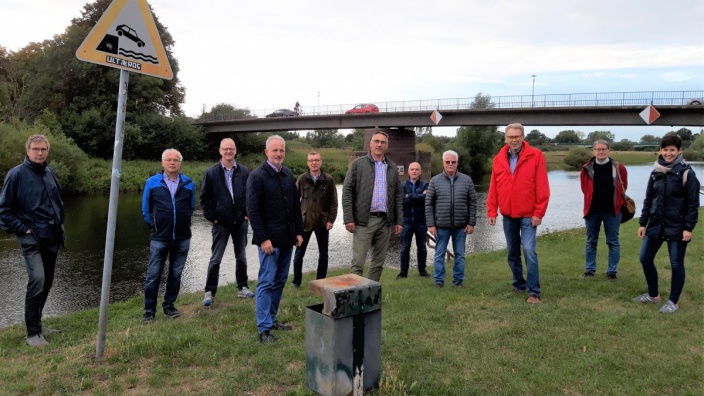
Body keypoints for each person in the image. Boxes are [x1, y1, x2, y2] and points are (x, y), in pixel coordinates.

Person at [0, 135, 65, 347]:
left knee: (46, 283)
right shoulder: (16, 174)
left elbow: (57, 202)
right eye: (36, 149)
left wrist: (60, 225)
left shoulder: (49, 172)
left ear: (48, 151)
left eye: (43, 149)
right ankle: (33, 334)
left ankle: (38, 323)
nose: (40, 153)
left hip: (52, 237)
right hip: (31, 239)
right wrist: (24, 230)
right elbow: (4, 211)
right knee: (37, 280)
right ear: (28, 150)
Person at [633, 135, 700, 313]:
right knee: (645, 258)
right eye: (665, 150)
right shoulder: (655, 172)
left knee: (676, 264)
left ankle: (673, 302)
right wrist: (642, 222)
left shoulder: (687, 173)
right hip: (656, 224)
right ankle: (653, 295)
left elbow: (693, 203)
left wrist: (688, 228)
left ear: (679, 151)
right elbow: (649, 199)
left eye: (672, 150)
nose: (668, 153)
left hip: (677, 226)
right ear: (661, 151)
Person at [247, 135, 303, 344]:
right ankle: (263, 330)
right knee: (266, 283)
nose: (279, 154)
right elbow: (253, 210)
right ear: (267, 152)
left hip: (287, 239)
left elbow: (295, 208)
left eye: (282, 151)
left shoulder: (288, 174)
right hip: (269, 242)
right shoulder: (257, 176)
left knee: (279, 282)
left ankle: (271, 319)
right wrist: (263, 239)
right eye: (275, 150)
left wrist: (299, 232)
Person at [487, 123, 550, 304]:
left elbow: (542, 187)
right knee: (512, 253)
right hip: (508, 215)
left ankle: (534, 292)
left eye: (517, 136)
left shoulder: (535, 156)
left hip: (529, 215)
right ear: (505, 138)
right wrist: (492, 209)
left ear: (523, 137)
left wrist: (539, 212)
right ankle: (518, 285)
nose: (513, 140)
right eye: (510, 137)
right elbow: (494, 187)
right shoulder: (498, 158)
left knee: (529, 250)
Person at [141, 149, 195, 324]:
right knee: (153, 275)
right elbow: (146, 210)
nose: (172, 163)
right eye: (169, 160)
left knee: (176, 273)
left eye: (176, 160)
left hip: (182, 237)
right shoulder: (152, 182)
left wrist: (183, 222)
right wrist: (156, 225)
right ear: (162, 162)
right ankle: (149, 311)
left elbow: (191, 207)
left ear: (180, 163)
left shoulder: (188, 183)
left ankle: (169, 305)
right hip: (159, 237)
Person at [342, 130, 403, 282]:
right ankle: (353, 297)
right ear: (370, 144)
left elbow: (398, 195)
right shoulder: (358, 164)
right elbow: (347, 191)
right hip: (364, 220)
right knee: (358, 263)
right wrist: (349, 218)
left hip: (385, 221)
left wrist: (399, 221)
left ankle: (369, 295)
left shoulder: (392, 167)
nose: (379, 144)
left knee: (378, 263)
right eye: (376, 141)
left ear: (386, 146)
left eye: (383, 142)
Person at [200, 138, 254, 306]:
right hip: (221, 223)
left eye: (231, 149)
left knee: (242, 257)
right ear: (220, 151)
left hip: (240, 222)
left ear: (235, 150)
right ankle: (209, 292)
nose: (228, 152)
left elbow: (251, 195)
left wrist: (247, 214)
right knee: (215, 259)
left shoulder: (244, 171)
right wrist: (212, 217)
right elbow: (204, 198)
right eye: (225, 149)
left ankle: (243, 288)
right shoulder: (211, 173)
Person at [425, 151, 477, 287]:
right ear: (443, 163)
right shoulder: (435, 181)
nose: (450, 164)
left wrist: (471, 222)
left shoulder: (467, 180)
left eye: (453, 162)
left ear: (457, 163)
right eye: (447, 162)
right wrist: (431, 224)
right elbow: (429, 204)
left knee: (460, 254)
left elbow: (472, 202)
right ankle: (439, 281)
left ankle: (458, 281)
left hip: (461, 226)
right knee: (439, 254)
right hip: (441, 225)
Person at [580, 140, 628, 280]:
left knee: (613, 241)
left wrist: (617, 203)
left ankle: (612, 272)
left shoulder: (619, 167)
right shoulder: (587, 168)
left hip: (612, 211)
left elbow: (623, 187)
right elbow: (585, 189)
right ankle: (590, 270)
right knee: (591, 241)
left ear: (608, 150)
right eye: (598, 149)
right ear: (593, 150)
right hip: (592, 211)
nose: (601, 152)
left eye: (603, 149)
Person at [292, 151, 338, 288]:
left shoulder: (328, 180)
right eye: (311, 160)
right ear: (307, 162)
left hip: (322, 223)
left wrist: (331, 220)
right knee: (299, 254)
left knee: (323, 254)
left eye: (316, 160)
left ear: (320, 162)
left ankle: (320, 281)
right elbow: (294, 203)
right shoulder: (301, 179)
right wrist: (295, 223)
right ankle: (296, 282)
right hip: (304, 223)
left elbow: (333, 202)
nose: (314, 163)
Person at [398, 162, 430, 279]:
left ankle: (422, 270)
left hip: (421, 221)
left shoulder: (426, 184)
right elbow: (401, 201)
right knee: (404, 247)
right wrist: (418, 196)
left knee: (422, 247)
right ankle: (403, 273)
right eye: (412, 169)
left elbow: (426, 199)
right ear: (408, 171)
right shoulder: (402, 185)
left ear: (420, 172)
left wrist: (410, 196)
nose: (414, 171)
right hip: (406, 222)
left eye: (417, 169)